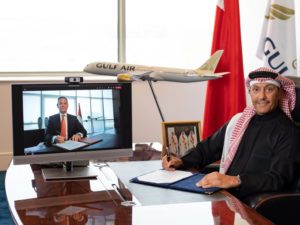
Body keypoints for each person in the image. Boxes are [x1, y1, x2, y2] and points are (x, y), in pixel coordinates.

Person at [162, 67, 300, 199]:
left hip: (249, 201)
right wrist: (181, 161)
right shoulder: (239, 121)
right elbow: (207, 149)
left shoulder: (288, 132)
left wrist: (234, 181)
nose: (262, 96)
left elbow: (278, 179)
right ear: (250, 92)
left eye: (269, 89)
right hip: (224, 194)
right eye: (256, 89)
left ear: (280, 93)